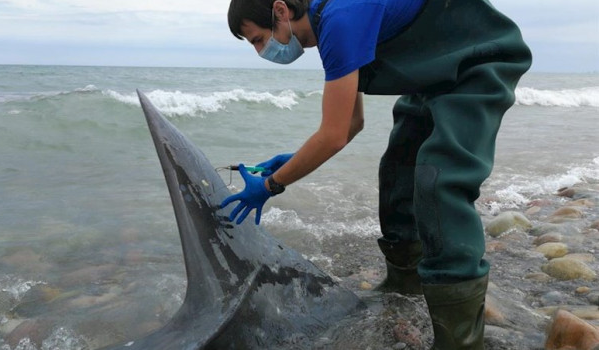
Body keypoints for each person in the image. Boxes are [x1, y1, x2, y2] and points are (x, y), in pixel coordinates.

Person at [221, 0, 532, 348]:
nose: (262, 51)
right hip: (434, 73)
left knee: (438, 180)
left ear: (280, 11)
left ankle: (460, 339)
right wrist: (293, 160)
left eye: (259, 39)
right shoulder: (329, 25)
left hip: (479, 59)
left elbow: (334, 135)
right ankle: (405, 283)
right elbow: (352, 123)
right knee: (399, 170)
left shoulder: (341, 19)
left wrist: (270, 185)